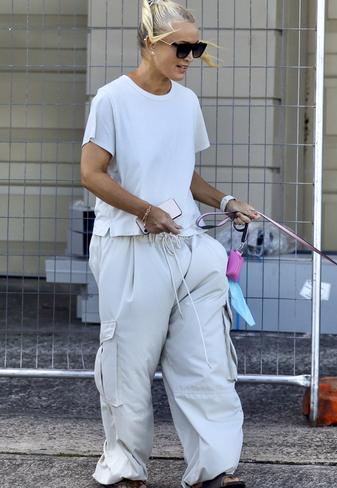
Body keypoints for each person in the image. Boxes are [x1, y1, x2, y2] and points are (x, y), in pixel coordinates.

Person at [80, 1, 257, 486]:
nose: (189, 57)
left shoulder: (186, 101)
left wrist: (227, 200)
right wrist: (145, 210)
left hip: (190, 248)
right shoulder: (112, 99)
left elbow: (185, 172)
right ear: (150, 43)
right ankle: (125, 468)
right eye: (182, 47)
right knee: (128, 364)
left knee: (207, 360)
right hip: (131, 247)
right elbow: (91, 174)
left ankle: (213, 469)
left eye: (196, 48)